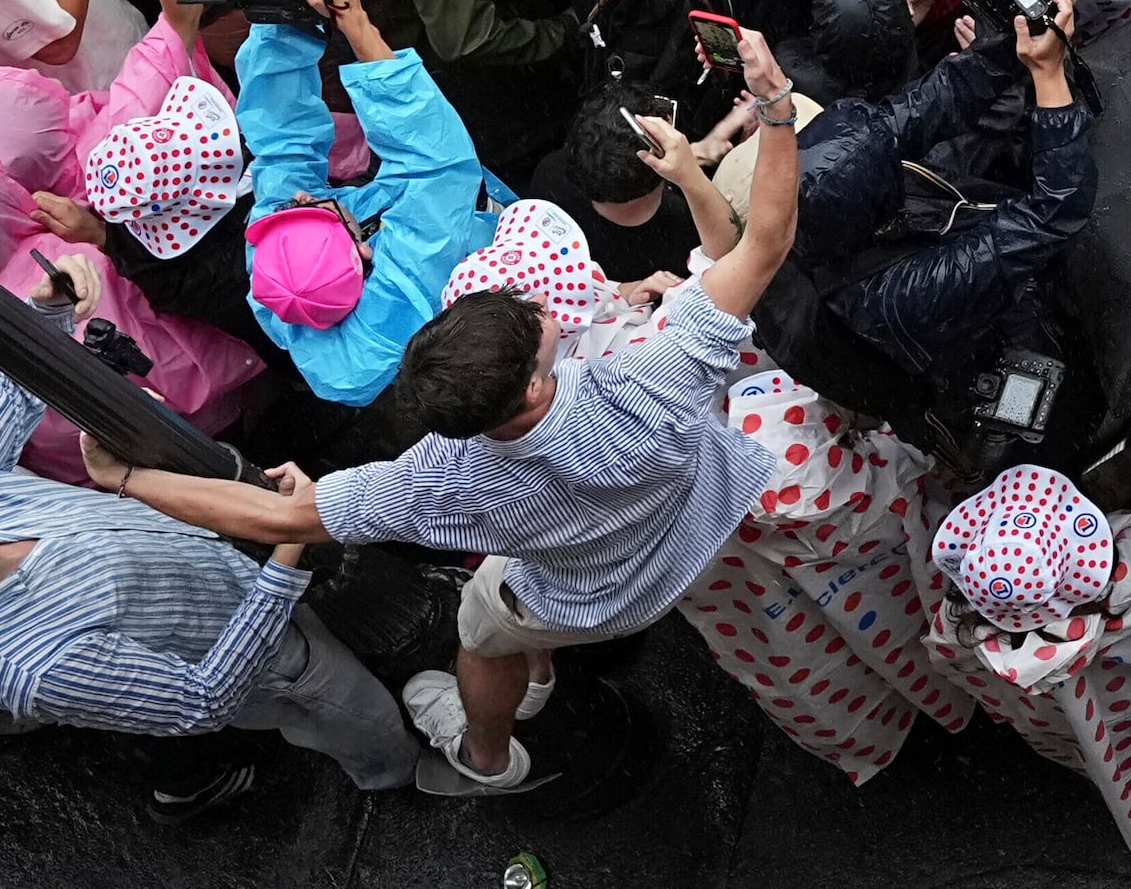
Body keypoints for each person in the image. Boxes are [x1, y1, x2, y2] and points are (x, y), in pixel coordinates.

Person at [98, 99, 797, 788]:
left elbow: (274, 518)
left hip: (598, 597)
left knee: (481, 628)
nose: (541, 304)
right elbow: (764, 239)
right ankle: (509, 724)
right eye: (531, 315)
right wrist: (773, 108)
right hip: (700, 530)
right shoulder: (651, 374)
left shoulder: (439, 477)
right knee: (495, 622)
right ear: (532, 383)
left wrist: (129, 479)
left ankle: (489, 750)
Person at [0, 358, 419, 789]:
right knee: (364, 721)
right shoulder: (33, 667)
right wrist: (284, 550)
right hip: (280, 659)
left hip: (251, 562)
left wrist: (52, 302)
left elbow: (9, 386)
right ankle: (398, 775)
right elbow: (203, 700)